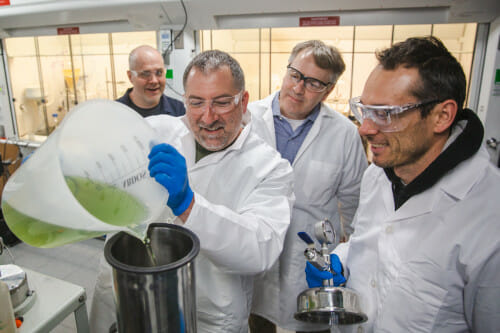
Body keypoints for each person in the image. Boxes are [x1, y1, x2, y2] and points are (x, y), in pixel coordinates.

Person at [89, 50, 295, 333]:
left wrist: (188, 205)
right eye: (196, 103)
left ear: (243, 101)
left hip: (210, 314)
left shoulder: (270, 168)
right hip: (131, 293)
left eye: (222, 103)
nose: (207, 117)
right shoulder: (157, 131)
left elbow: (260, 250)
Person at [306, 36, 500, 332]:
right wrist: (339, 260)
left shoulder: (489, 216)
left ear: (441, 116)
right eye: (366, 110)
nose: (367, 128)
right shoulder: (379, 173)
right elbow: (369, 242)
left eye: (385, 114)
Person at [248, 40, 368, 333]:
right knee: (256, 320)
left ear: (329, 90)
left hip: (311, 260)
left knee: (312, 327)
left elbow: (356, 205)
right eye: (295, 75)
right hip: (254, 253)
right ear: (286, 71)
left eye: (313, 83)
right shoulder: (247, 120)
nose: (298, 88)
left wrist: (353, 261)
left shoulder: (344, 134)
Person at [116, 45, 185, 117]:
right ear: (130, 77)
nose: (154, 81)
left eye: (159, 73)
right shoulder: (114, 112)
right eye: (145, 74)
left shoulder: (179, 111)